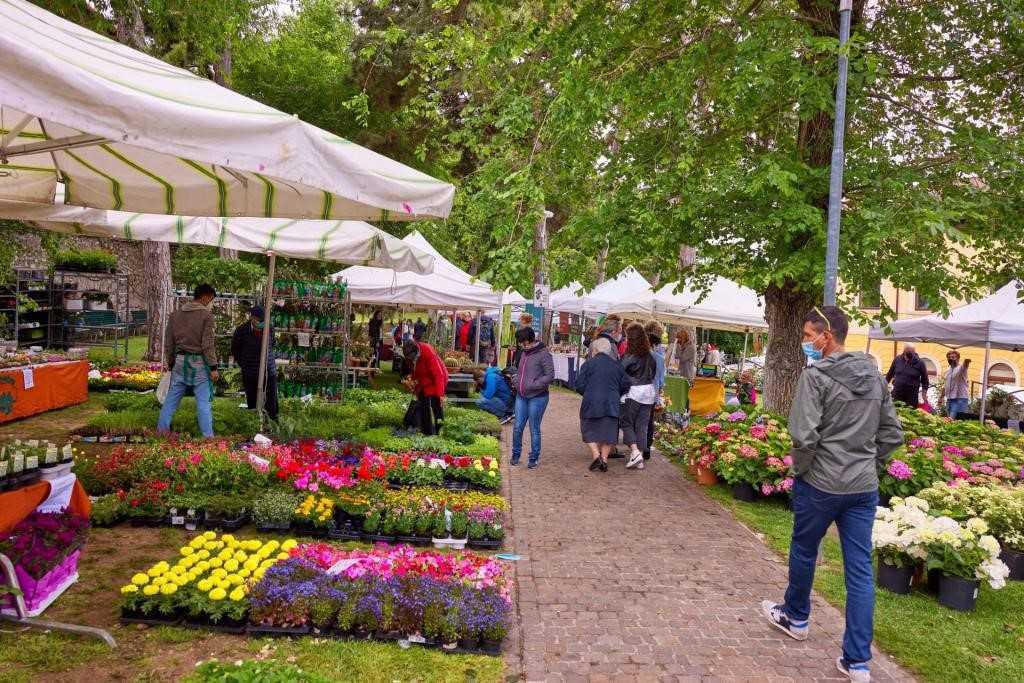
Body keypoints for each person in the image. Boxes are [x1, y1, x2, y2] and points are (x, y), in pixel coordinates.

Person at [761, 306, 903, 683]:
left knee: (805, 550)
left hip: (821, 483)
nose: (806, 342)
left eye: (809, 336)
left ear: (827, 335)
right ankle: (857, 662)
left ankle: (796, 617)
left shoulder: (816, 377)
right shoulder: (873, 376)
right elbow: (892, 434)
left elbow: (804, 436)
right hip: (861, 487)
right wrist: (869, 464)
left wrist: (803, 470)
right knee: (859, 571)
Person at [158, 284, 219, 437]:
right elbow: (207, 344)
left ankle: (161, 433)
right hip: (198, 363)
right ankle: (208, 438)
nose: (210, 302)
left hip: (179, 361)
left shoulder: (175, 315)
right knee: (203, 403)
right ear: (205, 296)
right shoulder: (207, 316)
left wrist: (171, 362)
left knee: (171, 401)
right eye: (211, 299)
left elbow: (169, 343)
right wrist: (213, 367)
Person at [575, 337, 631, 472]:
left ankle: (596, 455)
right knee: (609, 431)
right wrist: (616, 393)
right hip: (611, 402)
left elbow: (579, 385)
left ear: (595, 349)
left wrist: (588, 393)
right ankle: (604, 459)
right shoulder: (617, 365)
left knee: (587, 428)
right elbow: (626, 384)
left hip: (591, 401)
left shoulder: (588, 364)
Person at [512, 326, 554, 468]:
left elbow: (549, 375)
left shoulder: (543, 354)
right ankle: (515, 454)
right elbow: (519, 371)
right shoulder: (524, 353)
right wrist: (516, 381)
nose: (521, 345)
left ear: (529, 340)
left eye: (522, 342)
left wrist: (533, 385)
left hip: (538, 396)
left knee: (534, 428)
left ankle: (533, 457)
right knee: (517, 427)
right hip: (521, 395)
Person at [619, 322, 657, 470]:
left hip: (633, 392)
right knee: (642, 425)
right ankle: (639, 457)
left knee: (626, 422)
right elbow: (652, 374)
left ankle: (635, 452)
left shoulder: (629, 356)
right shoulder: (651, 356)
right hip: (649, 393)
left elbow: (620, 374)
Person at [230, 305, 278, 421]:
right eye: (258, 320)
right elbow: (235, 349)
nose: (260, 323)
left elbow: (272, 344)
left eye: (263, 321)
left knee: (271, 400)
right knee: (252, 399)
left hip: (268, 370)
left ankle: (271, 424)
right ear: (251, 318)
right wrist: (244, 363)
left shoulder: (269, 329)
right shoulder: (242, 330)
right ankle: (254, 422)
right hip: (250, 371)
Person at [403, 339, 449, 435]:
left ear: (416, 351)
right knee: (424, 406)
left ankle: (439, 431)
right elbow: (413, 368)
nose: (411, 359)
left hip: (436, 380)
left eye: (412, 357)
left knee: (436, 406)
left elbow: (438, 374)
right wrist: (413, 381)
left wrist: (440, 395)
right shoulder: (409, 354)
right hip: (423, 380)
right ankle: (427, 432)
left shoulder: (428, 351)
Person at [642, 320, 667, 460]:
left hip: (637, 390)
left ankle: (636, 446)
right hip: (652, 392)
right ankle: (646, 449)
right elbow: (661, 380)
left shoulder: (637, 352)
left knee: (638, 419)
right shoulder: (659, 357)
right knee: (649, 420)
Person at [885, 343, 929, 407]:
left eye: (912, 352)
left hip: (911, 396)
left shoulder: (920, 363)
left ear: (914, 351)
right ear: (904, 350)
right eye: (909, 352)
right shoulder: (897, 359)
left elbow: (925, 380)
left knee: (910, 413)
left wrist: (924, 395)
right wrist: (883, 386)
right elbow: (889, 374)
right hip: (897, 393)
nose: (911, 354)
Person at [941, 351, 971, 419]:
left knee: (955, 420)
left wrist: (967, 361)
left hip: (960, 399)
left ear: (958, 358)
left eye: (953, 357)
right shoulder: (948, 370)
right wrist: (941, 397)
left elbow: (965, 366)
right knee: (949, 420)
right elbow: (945, 384)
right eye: (949, 357)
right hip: (949, 399)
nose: (951, 359)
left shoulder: (961, 368)